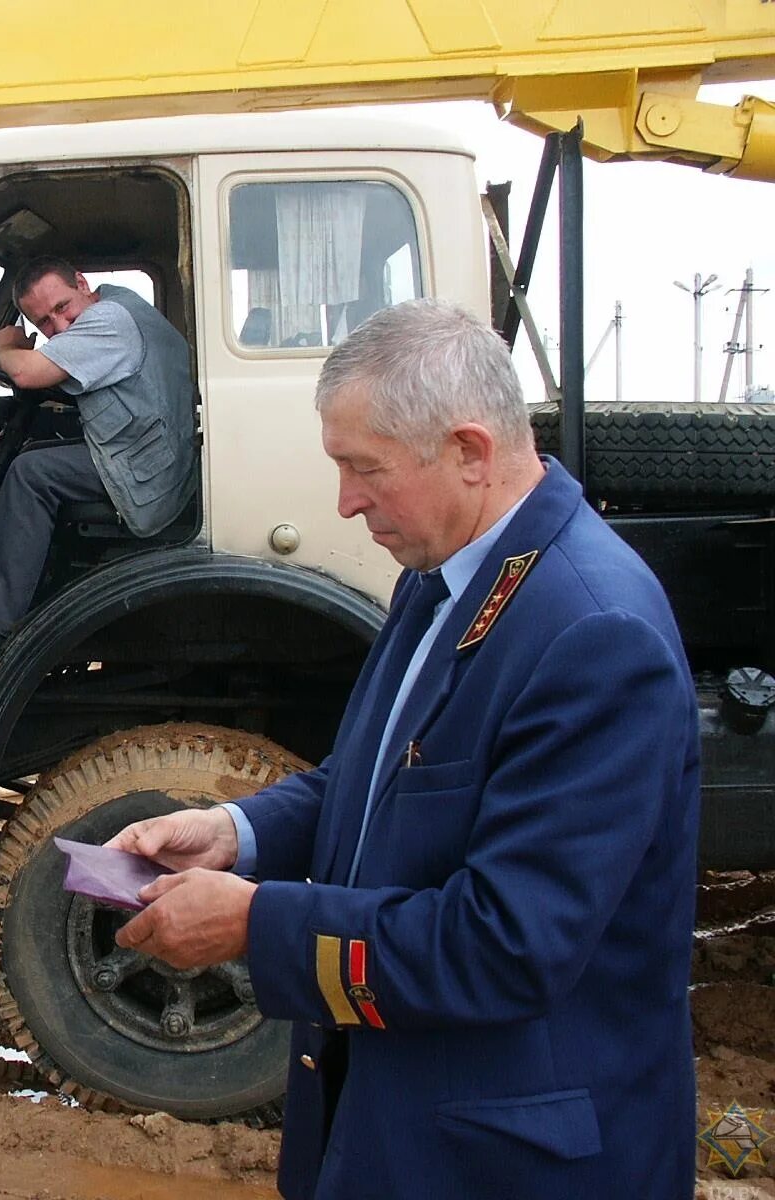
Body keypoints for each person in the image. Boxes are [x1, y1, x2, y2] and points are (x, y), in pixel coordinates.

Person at [108, 300, 699, 1200]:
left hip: (512, 1162)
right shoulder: (448, 574)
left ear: (469, 451)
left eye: (364, 469)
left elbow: (508, 945)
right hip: (408, 1125)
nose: (345, 501)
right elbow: (379, 779)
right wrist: (236, 832)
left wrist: (254, 922)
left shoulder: (592, 630)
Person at [0, 257, 196, 664]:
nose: (60, 327)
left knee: (31, 473)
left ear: (82, 283)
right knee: (35, 456)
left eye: (62, 308)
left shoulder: (109, 319)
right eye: (44, 323)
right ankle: (9, 598)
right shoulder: (121, 305)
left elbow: (25, 373)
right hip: (153, 456)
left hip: (148, 473)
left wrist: (4, 345)